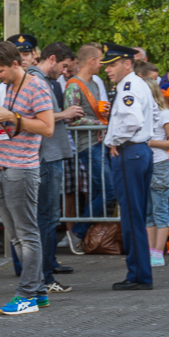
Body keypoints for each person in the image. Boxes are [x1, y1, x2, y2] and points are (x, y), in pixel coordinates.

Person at [0, 41, 55, 315]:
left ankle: (26, 295)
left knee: (27, 235)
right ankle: (38, 291)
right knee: (15, 237)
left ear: (16, 64)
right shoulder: (10, 87)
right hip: (3, 166)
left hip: (21, 169)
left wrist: (13, 117)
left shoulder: (37, 87)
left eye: (0, 71)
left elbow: (47, 128)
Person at [26, 42, 81, 294]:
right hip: (46, 157)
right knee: (47, 220)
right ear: (52, 59)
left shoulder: (42, 80)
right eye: (63, 66)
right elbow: (38, 117)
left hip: (49, 155)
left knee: (46, 219)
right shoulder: (37, 80)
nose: (64, 72)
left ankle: (43, 275)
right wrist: (65, 113)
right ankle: (45, 278)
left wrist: (63, 115)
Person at [101, 43, 155, 290]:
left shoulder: (129, 86)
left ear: (126, 63)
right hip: (139, 151)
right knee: (136, 215)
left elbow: (132, 120)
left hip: (129, 152)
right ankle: (140, 272)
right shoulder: (138, 84)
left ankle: (138, 275)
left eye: (112, 65)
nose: (107, 70)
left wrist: (114, 140)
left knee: (132, 217)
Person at [64, 43, 116, 255]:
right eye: (100, 61)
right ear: (91, 61)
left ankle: (83, 236)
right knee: (108, 191)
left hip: (98, 142)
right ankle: (77, 232)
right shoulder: (73, 86)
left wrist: (105, 114)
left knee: (98, 191)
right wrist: (100, 124)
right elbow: (71, 119)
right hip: (87, 145)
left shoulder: (94, 83)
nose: (103, 65)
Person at [144, 81, 169, 267]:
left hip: (158, 165)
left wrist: (151, 143)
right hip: (143, 164)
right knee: (148, 211)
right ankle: (151, 251)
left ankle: (158, 253)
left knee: (159, 209)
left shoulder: (164, 113)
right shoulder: (140, 113)